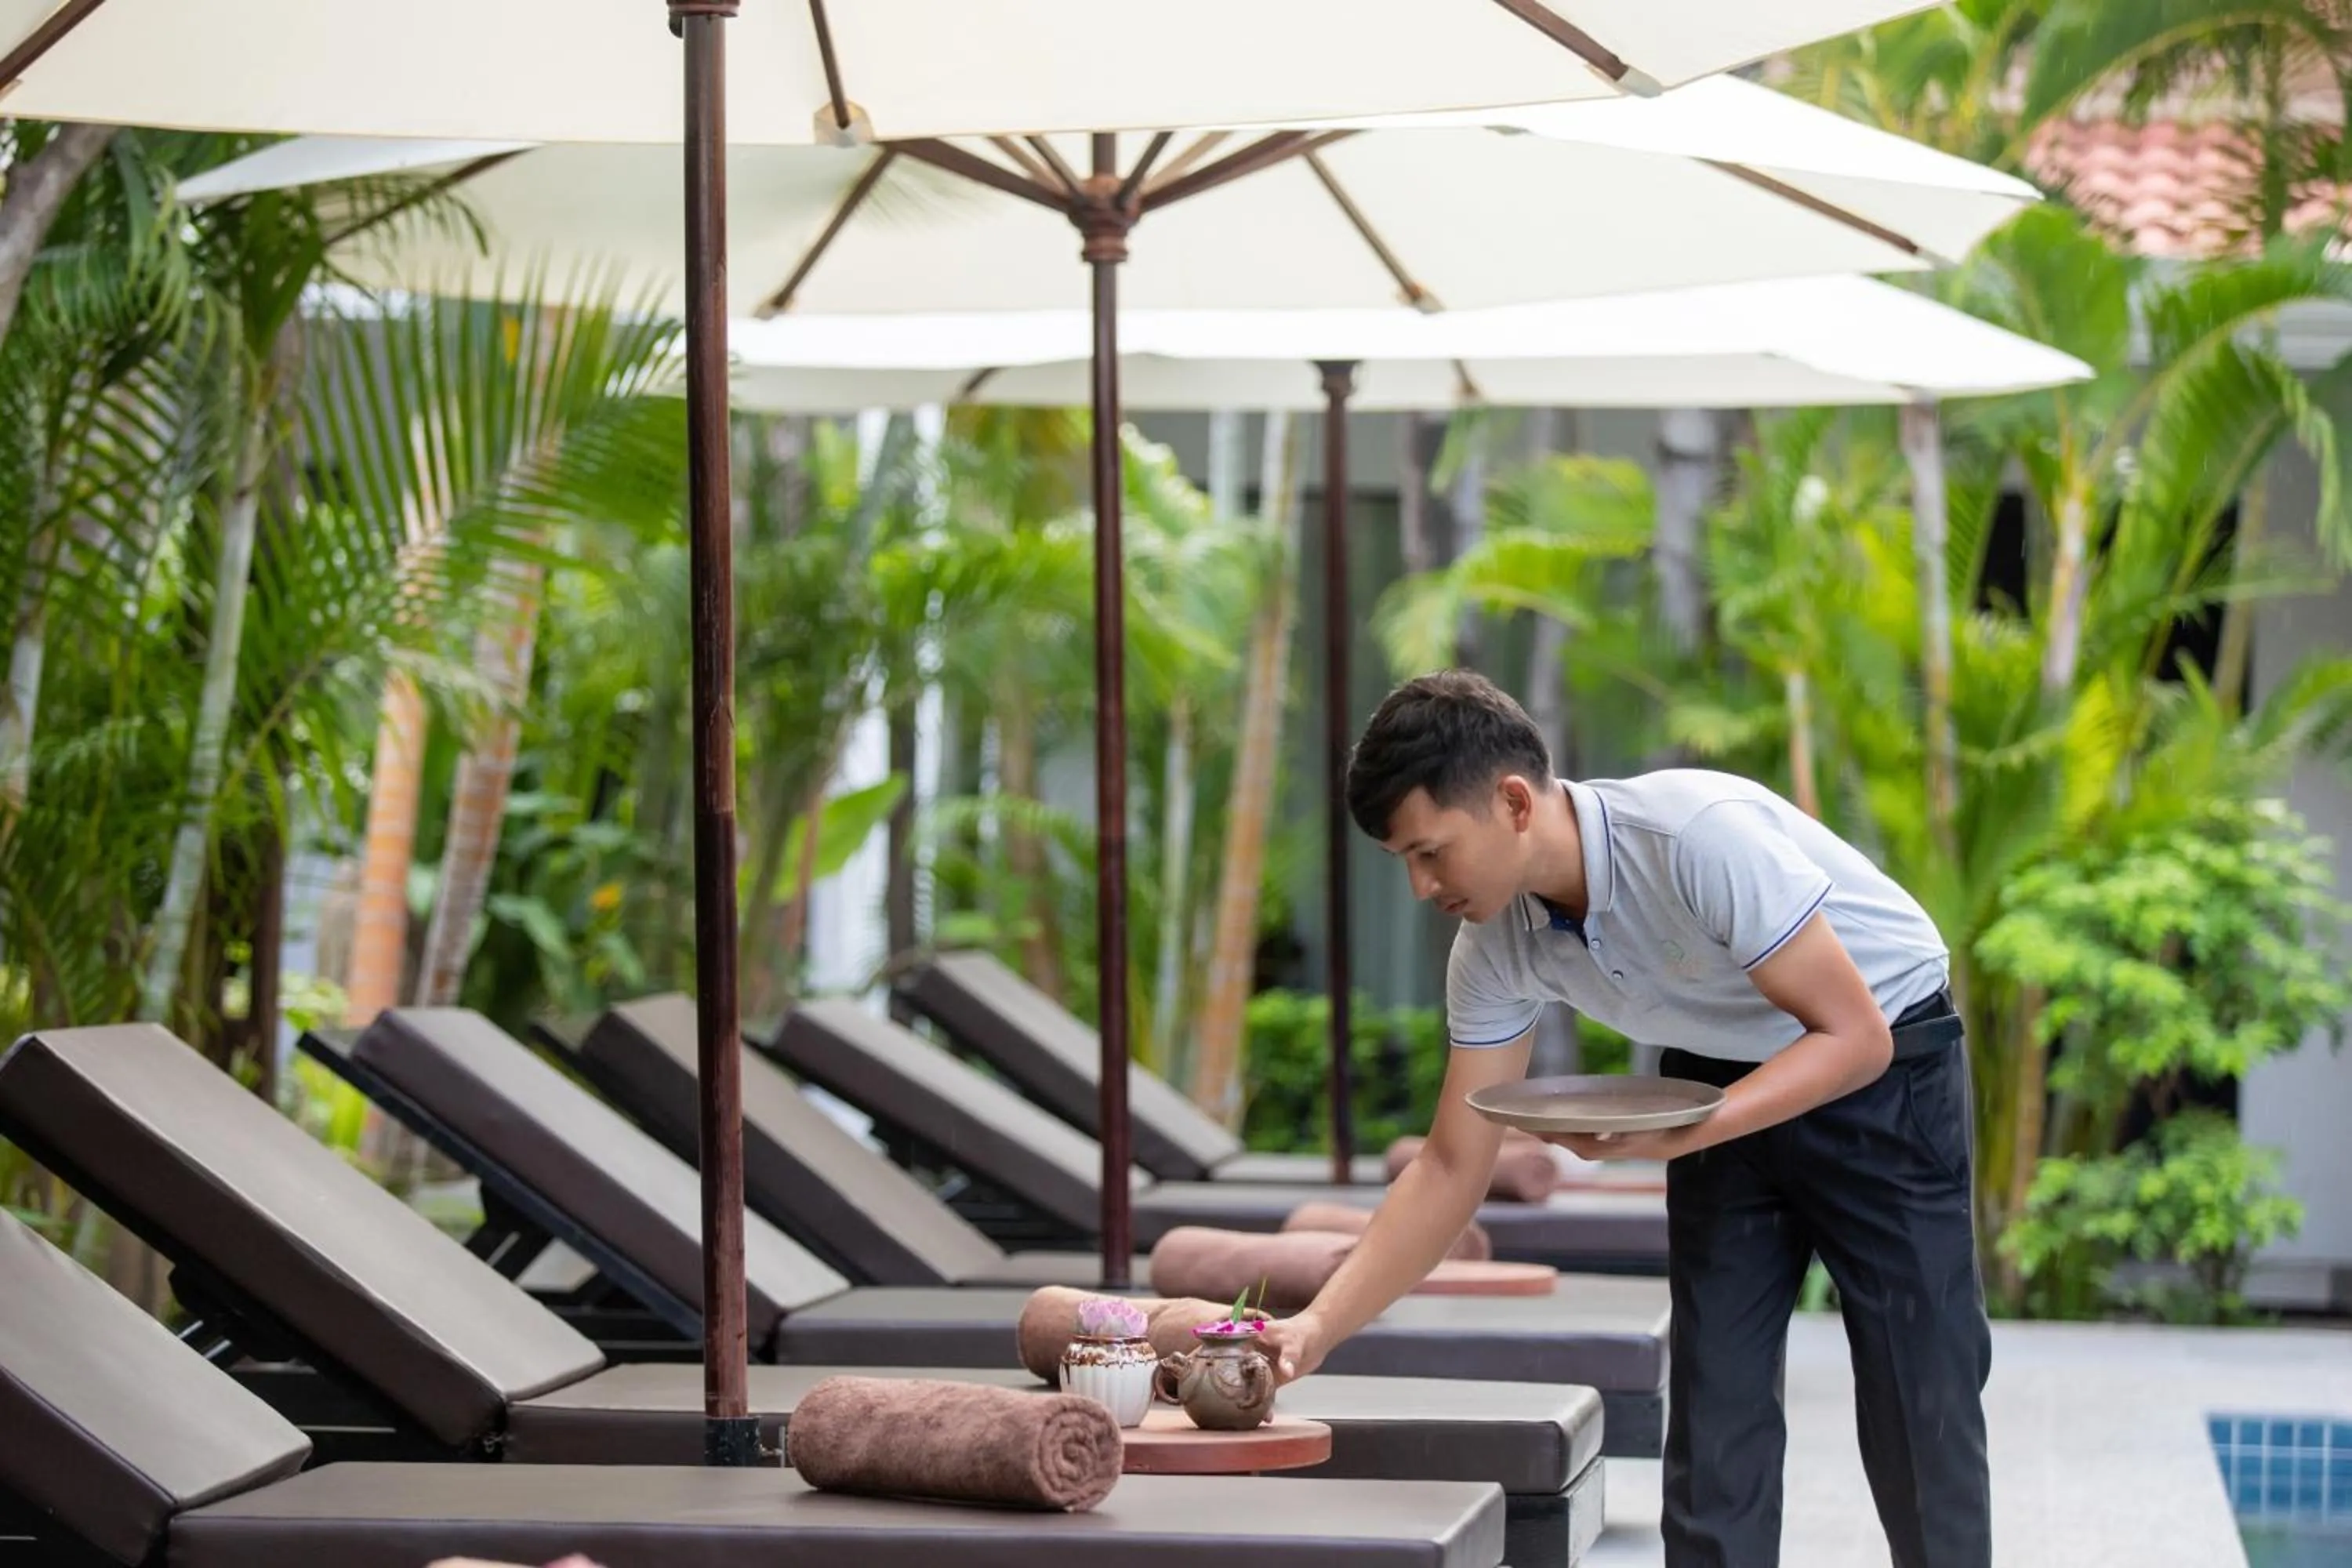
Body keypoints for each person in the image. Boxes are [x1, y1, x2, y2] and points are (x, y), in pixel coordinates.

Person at [1259, 669, 1991, 1568]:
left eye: (1431, 851)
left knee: (1922, 1400)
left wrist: (1678, 1134)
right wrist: (1315, 1327)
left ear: (1513, 801)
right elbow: (1452, 1165)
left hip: (1885, 1064)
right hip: (1715, 1076)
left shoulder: (1696, 837)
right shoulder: (1493, 945)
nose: (1420, 885)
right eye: (1402, 861)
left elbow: (1856, 1037)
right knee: (1715, 1420)